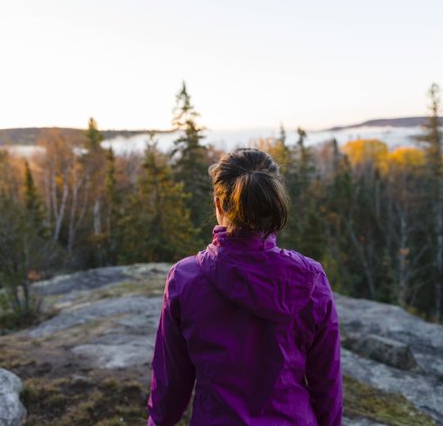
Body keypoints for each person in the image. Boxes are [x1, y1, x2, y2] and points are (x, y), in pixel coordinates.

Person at [147, 148, 343, 425]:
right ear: (271, 203)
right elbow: (327, 382)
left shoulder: (184, 278)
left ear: (218, 205)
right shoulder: (311, 278)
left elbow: (170, 385)